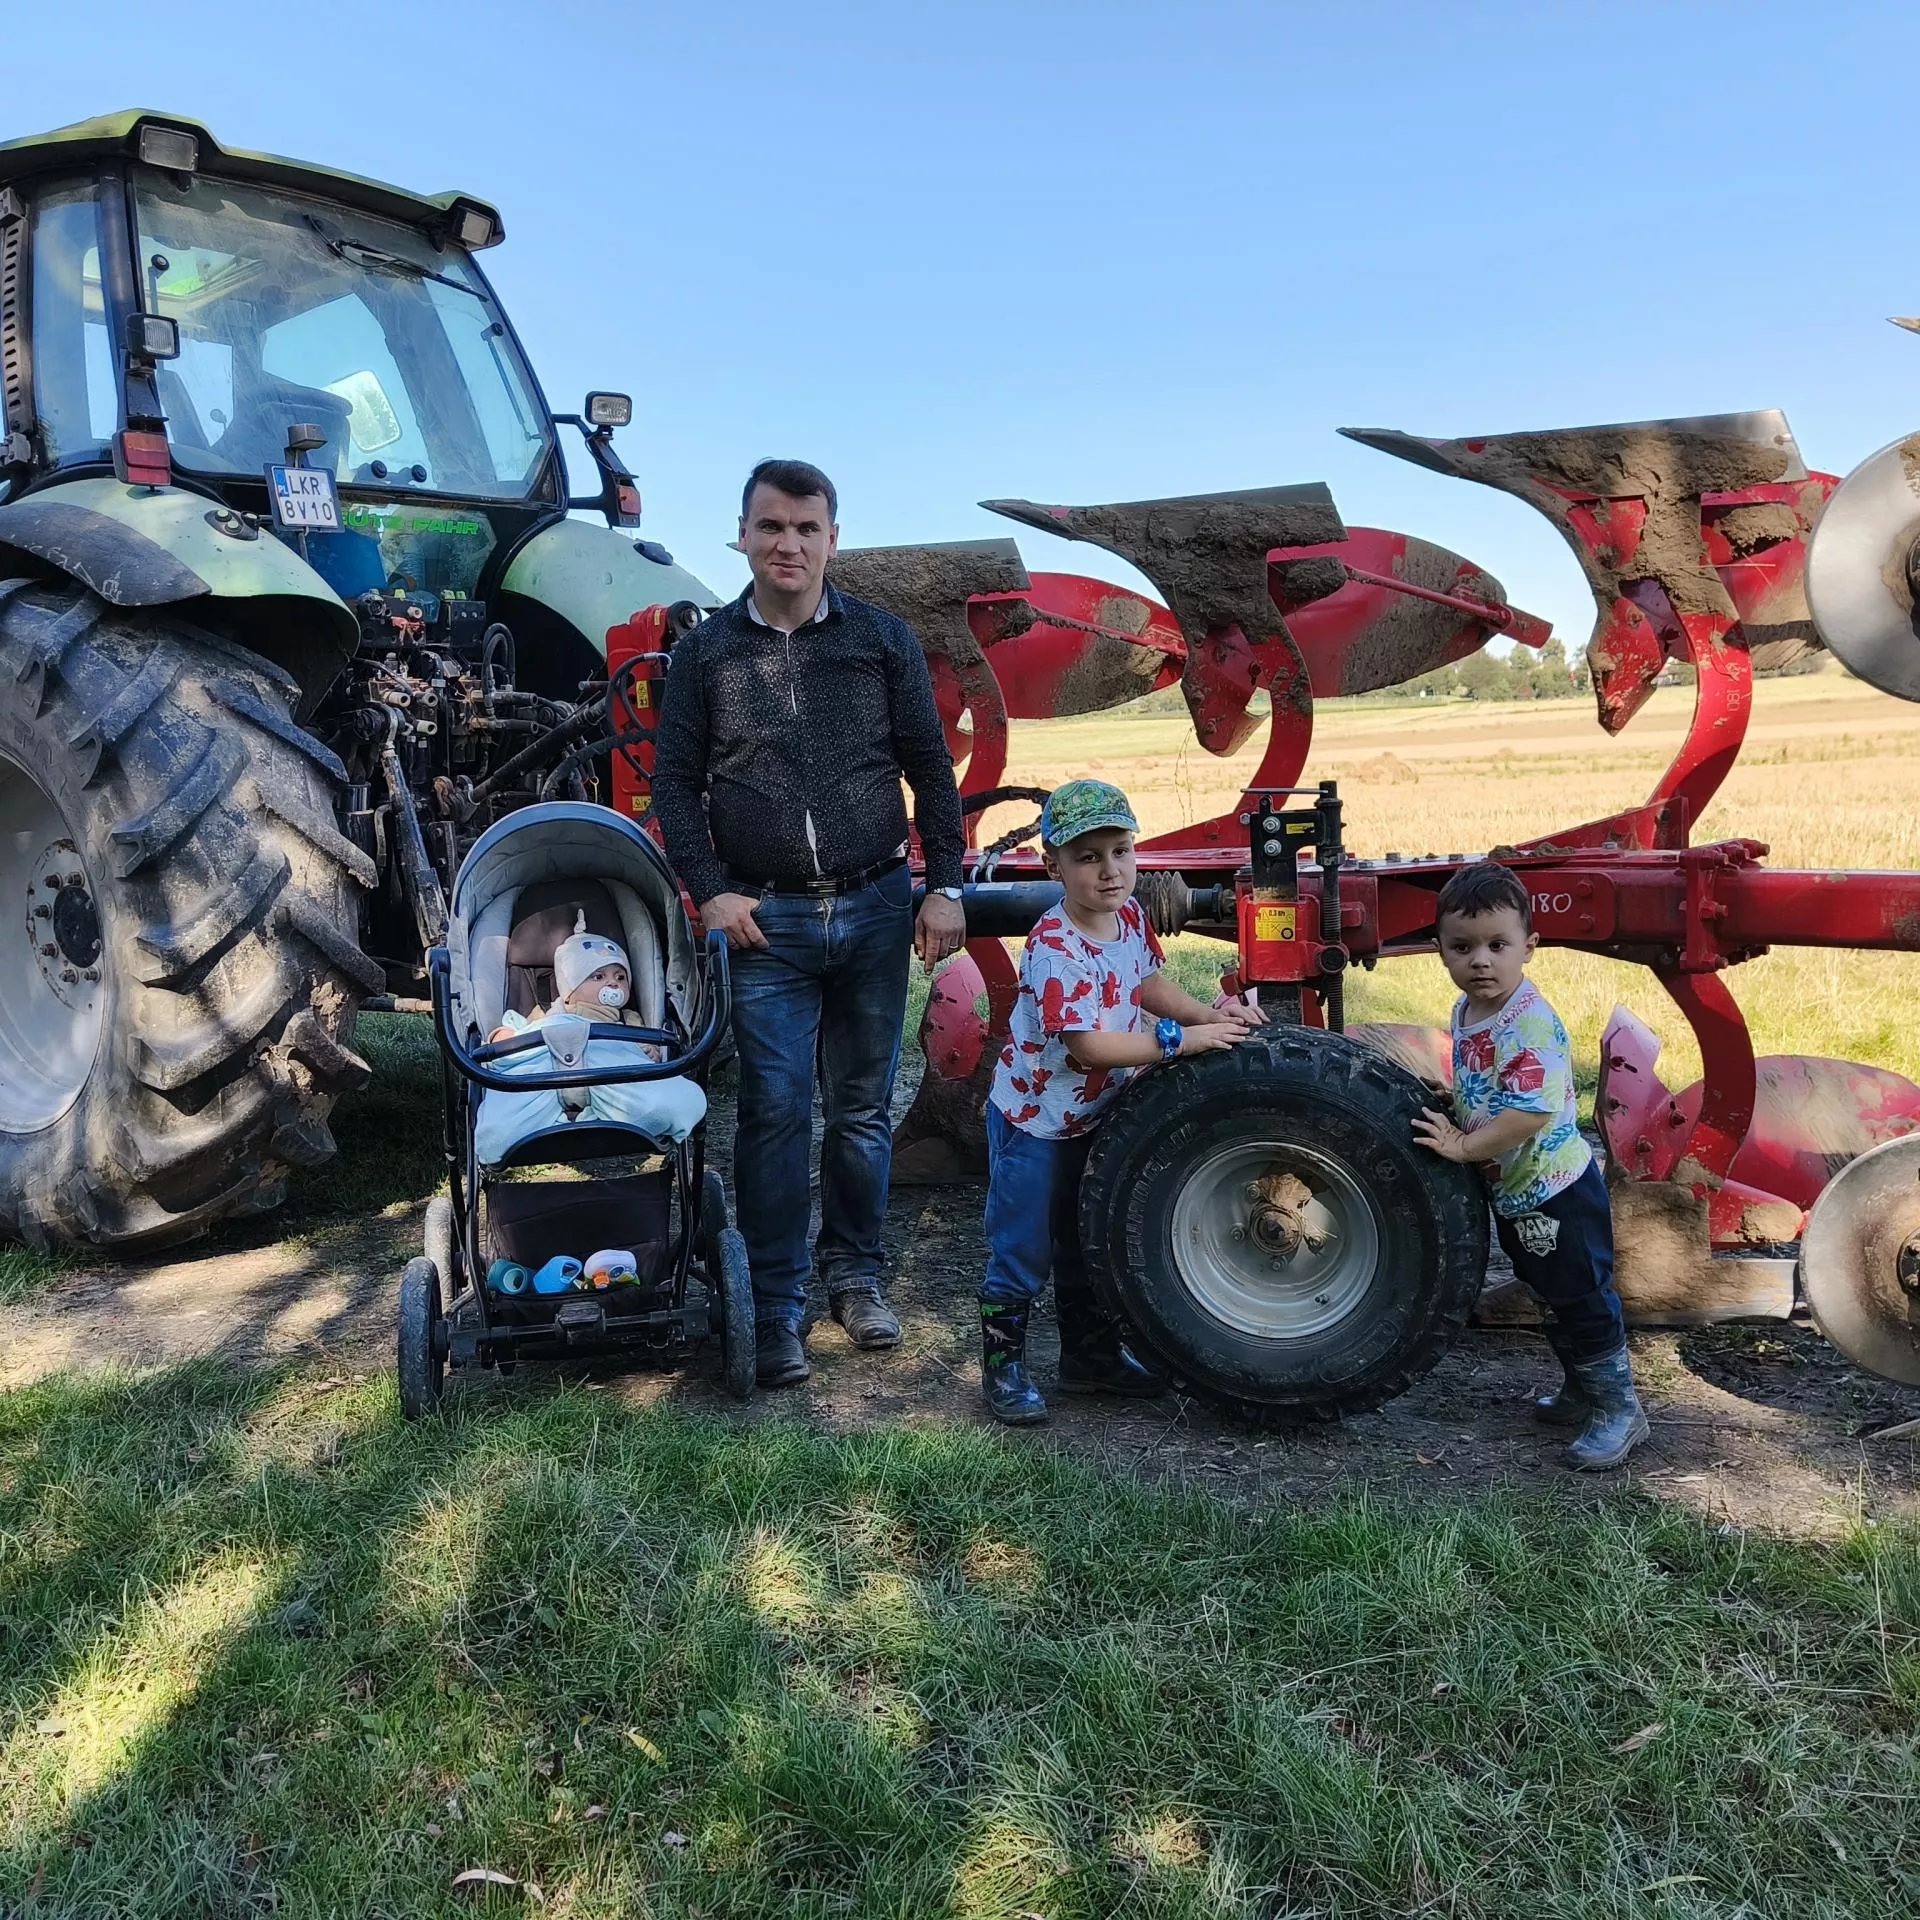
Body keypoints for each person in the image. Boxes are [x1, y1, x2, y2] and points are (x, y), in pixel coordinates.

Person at [651, 458, 967, 1387]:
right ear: (742, 535)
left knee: (862, 1112)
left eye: (806, 528)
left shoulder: (880, 640)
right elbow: (674, 784)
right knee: (778, 1112)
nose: (788, 544)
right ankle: (776, 1303)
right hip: (766, 924)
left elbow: (930, 768)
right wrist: (710, 890)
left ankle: (855, 1277)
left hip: (874, 907)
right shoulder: (707, 654)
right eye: (771, 526)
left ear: (834, 539)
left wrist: (945, 884)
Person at [978, 779, 1265, 1423]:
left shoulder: (1129, 916)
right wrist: (1180, 1041)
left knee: (1087, 1237)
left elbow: (1147, 983)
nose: (1110, 870)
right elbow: (1087, 1048)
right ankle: (1003, 1367)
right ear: (1053, 866)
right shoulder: (1054, 946)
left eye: (1121, 851)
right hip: (1037, 1121)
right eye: (1088, 857)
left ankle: (1090, 1360)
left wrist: (1209, 1015)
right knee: (1023, 1245)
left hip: (1097, 1116)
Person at [1411, 860, 1648, 1469]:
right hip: (1517, 1190)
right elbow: (1494, 1084)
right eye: (1462, 947)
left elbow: (1531, 1112)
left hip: (1556, 1189)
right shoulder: (1469, 1010)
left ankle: (1620, 1409)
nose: (1480, 961)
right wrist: (1460, 1100)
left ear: (1529, 946)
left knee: (1583, 1297)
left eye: (1498, 945)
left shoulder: (1529, 1022)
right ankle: (1582, 1389)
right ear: (1439, 950)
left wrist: (1465, 1146)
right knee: (1550, 1292)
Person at [473, 922, 705, 1165]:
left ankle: (592, 1119)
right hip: (546, 1080)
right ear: (569, 989)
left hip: (611, 1081)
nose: (613, 983)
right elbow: (520, 1037)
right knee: (495, 1135)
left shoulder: (630, 1020)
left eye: (620, 977)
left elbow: (643, 1052)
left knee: (682, 1101)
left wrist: (648, 1051)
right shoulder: (546, 1015)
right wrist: (503, 1036)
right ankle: (553, 1124)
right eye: (598, 976)